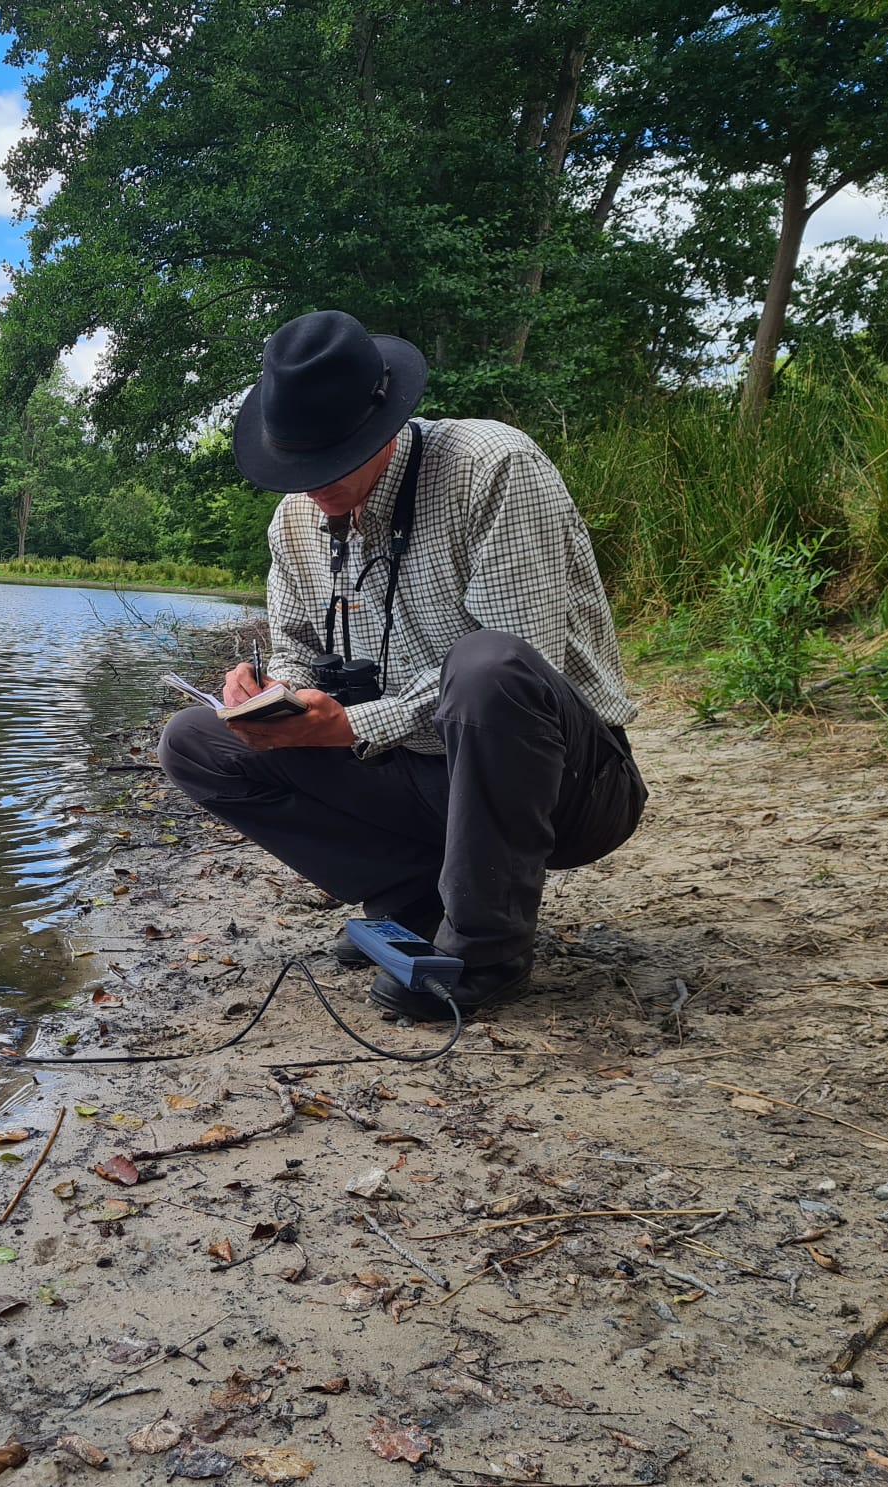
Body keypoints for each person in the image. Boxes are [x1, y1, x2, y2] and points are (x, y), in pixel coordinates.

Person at [159, 311, 648, 1018]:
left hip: (567, 784)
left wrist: (352, 724)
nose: (313, 485)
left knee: (485, 664)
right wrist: (272, 693)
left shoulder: (493, 467)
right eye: (298, 466)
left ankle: (488, 946)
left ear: (384, 424)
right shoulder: (294, 521)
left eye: (333, 459)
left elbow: (521, 657)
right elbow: (298, 648)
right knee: (193, 743)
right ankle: (414, 899)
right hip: (414, 774)